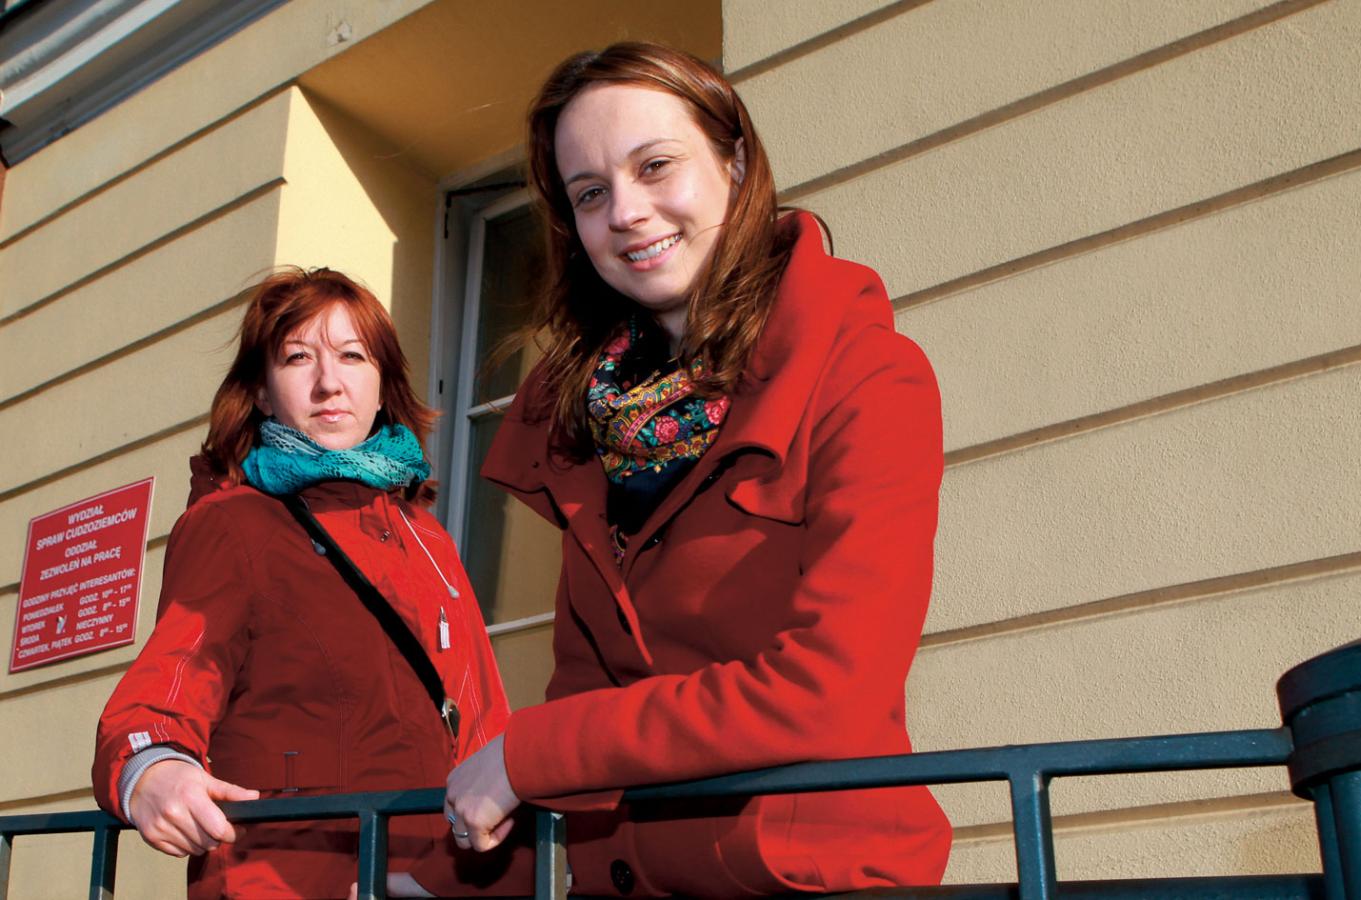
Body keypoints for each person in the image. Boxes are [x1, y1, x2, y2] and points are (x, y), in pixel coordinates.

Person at [443, 42, 953, 896]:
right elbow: (586, 692)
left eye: (655, 166)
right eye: (590, 193)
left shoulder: (864, 375)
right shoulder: (588, 422)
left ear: (735, 162)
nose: (627, 212)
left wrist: (531, 755)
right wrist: (443, 873)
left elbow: (831, 687)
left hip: (810, 878)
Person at [92, 269, 530, 899]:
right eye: (298, 358)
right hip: (289, 880)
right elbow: (164, 693)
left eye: (353, 356)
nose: (329, 382)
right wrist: (154, 768)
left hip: (433, 881)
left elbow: (484, 721)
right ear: (263, 394)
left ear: (382, 385)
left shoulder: (429, 540)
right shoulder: (233, 523)